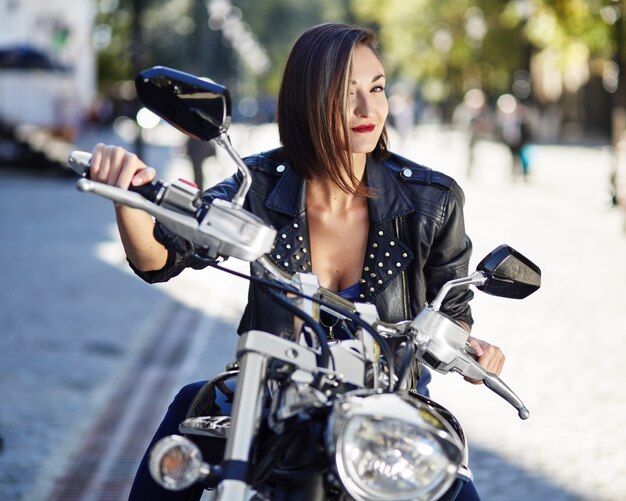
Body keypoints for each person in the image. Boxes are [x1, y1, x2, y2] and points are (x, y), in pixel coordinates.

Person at [89, 22, 504, 501]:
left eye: (378, 88)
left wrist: (473, 348)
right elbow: (162, 256)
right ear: (310, 99)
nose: (369, 109)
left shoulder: (431, 199)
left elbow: (451, 314)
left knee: (456, 488)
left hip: (388, 409)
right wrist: (129, 198)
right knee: (185, 418)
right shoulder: (258, 185)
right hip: (272, 399)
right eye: (347, 93)